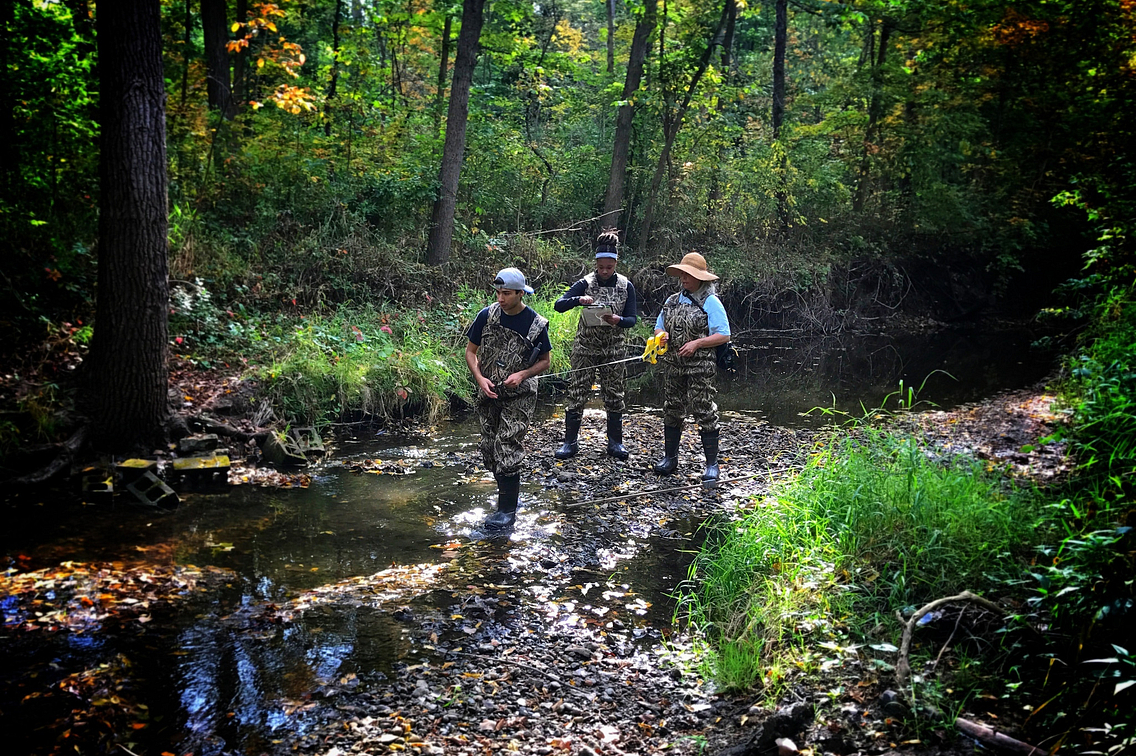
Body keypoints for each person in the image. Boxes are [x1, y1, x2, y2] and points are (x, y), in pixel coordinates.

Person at [465, 267, 552, 529]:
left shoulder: (535, 324)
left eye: (506, 294)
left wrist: (523, 374)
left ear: (520, 293)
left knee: (508, 445)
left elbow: (546, 361)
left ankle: (507, 512)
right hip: (489, 391)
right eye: (498, 293)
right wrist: (480, 378)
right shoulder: (487, 315)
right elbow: (471, 352)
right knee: (488, 449)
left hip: (520, 395)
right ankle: (508, 496)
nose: (500, 298)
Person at [553, 229, 639, 460]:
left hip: (614, 348)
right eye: (600, 267)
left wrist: (617, 320)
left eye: (608, 268)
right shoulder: (585, 283)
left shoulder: (626, 285)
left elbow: (632, 319)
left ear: (615, 264)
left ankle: (615, 443)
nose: (603, 272)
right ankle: (570, 442)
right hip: (585, 348)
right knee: (577, 392)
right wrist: (577, 300)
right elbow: (558, 305)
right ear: (596, 264)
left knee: (614, 394)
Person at [652, 252, 730, 486]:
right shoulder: (671, 301)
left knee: (703, 408)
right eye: (682, 274)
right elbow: (658, 327)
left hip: (701, 365)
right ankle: (670, 459)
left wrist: (697, 343)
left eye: (688, 275)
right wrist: (661, 336)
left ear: (700, 278)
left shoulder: (711, 302)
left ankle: (712, 465)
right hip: (674, 363)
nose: (683, 279)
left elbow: (724, 334)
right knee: (672, 407)